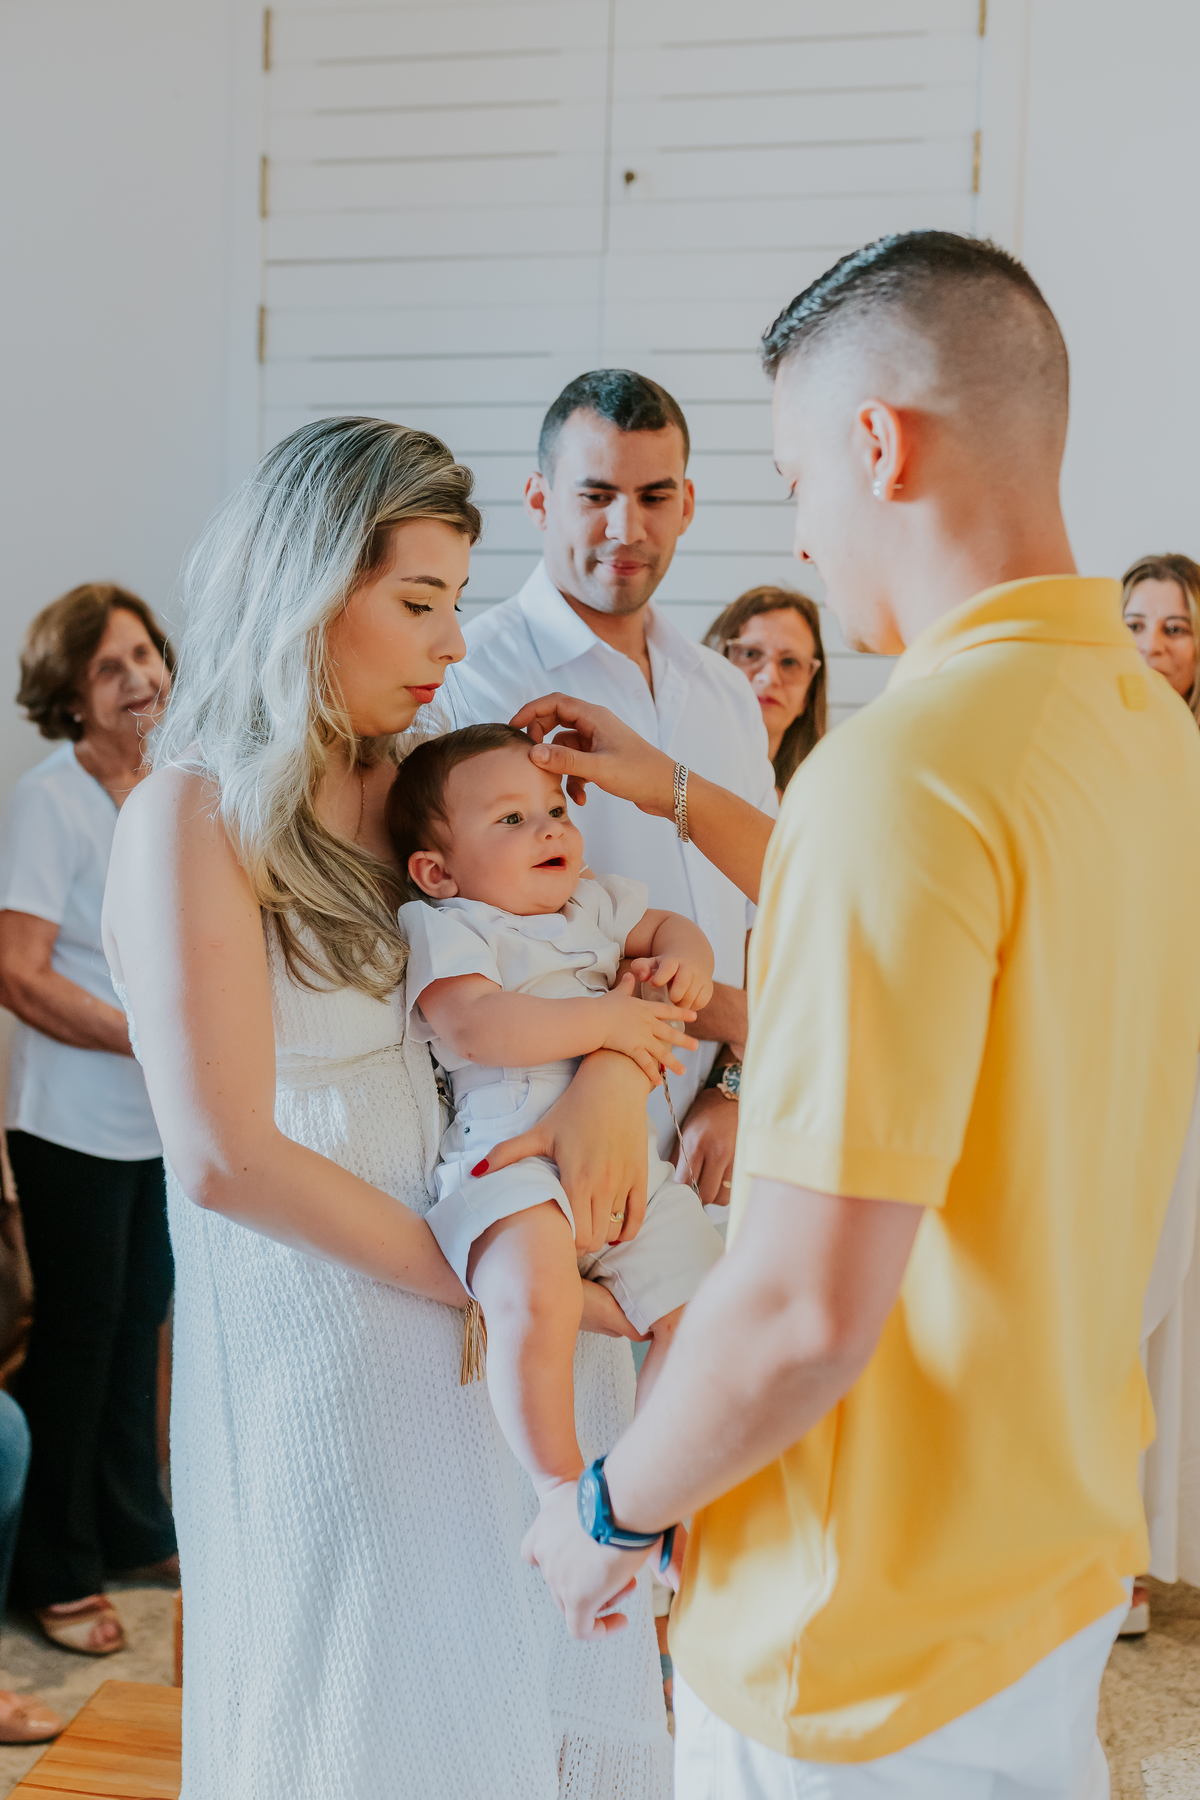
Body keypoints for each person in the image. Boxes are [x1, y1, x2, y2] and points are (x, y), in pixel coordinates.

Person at [517, 231, 1200, 1798]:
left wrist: (608, 1506)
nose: (804, 533)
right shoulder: (1141, 726)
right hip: (1054, 1545)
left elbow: (810, 1305)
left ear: (880, 444)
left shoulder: (897, 775)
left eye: (794, 473)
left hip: (864, 1628)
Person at [102, 418, 672, 1799]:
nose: (448, 641)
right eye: (417, 602)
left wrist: (608, 1074)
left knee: (511, 1697)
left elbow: (577, 961)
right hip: (339, 1339)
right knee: (368, 1710)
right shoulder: (196, 814)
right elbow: (228, 1158)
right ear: (306, 589)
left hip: (502, 1313)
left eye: (456, 603)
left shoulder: (422, 789)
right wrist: (498, 1279)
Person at [442, 370, 777, 1213]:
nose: (625, 528)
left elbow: (764, 916)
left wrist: (733, 1081)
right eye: (595, 494)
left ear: (688, 503)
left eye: (654, 495)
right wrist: (718, 1018)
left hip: (729, 1142)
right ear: (538, 498)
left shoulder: (725, 691)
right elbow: (477, 931)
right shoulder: (471, 681)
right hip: (550, 1142)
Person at [389, 723, 724, 1498]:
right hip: (513, 1160)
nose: (548, 829)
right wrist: (609, 1021)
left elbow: (672, 928)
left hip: (627, 1164)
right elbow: (476, 1024)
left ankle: (651, 1486)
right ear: (437, 871)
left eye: (555, 811)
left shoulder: (595, 905)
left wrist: (688, 964)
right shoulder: (451, 924)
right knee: (532, 1293)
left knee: (709, 1314)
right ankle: (558, 1484)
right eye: (511, 820)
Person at [0, 585, 177, 1657]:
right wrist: (141, 1037)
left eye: (148, 653)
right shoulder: (49, 800)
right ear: (71, 695)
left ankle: (126, 1527)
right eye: (113, 667)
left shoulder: (174, 789)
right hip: (68, 1122)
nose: (143, 677)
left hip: (160, 1122)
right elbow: (18, 975)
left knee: (138, 1326)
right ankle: (53, 1565)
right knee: (75, 1337)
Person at [1120, 551, 1200, 1637]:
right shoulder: (1084, 753)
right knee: (1123, 1296)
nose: (1150, 644)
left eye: (1175, 628)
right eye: (1132, 623)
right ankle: (1112, 1550)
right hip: (1117, 1050)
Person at [702, 586, 826, 795]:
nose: (769, 677)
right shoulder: (671, 786)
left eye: (789, 662)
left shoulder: (817, 805)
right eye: (750, 653)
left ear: (807, 696)